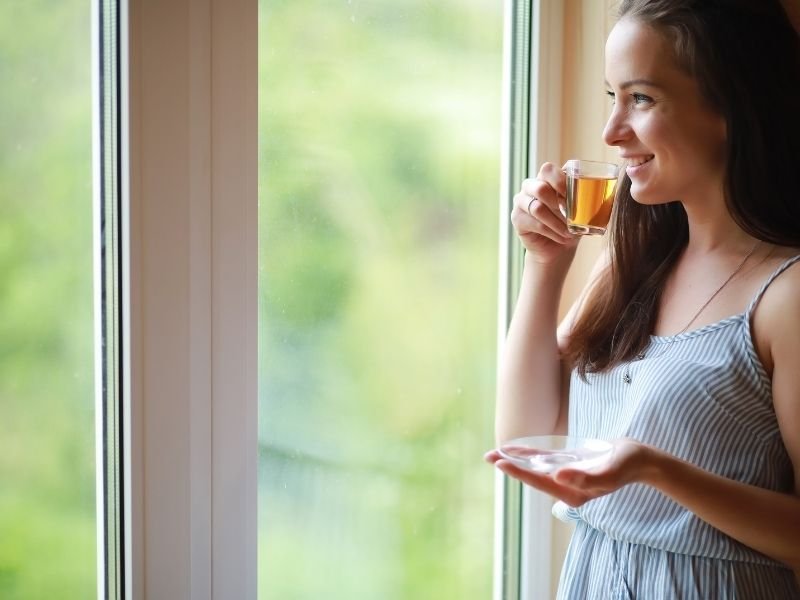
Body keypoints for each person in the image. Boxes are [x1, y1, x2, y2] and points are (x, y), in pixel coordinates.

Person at [485, 0, 800, 597]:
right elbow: (523, 436)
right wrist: (546, 263)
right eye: (611, 96)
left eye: (642, 99)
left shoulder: (787, 296)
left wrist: (655, 469)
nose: (611, 131)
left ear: (731, 106)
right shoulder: (635, 266)